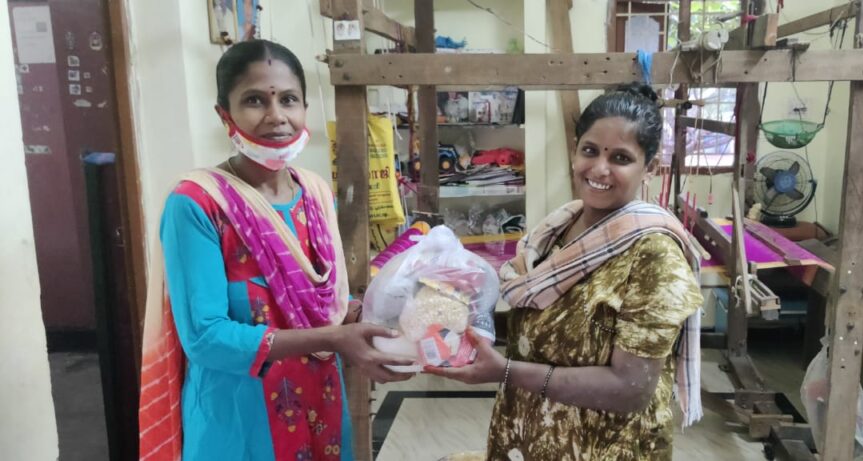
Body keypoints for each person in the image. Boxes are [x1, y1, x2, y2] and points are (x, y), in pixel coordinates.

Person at [138, 39, 413, 461]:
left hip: (322, 403)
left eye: (289, 99)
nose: (276, 117)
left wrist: (374, 316)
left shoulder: (316, 194)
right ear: (223, 114)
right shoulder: (198, 204)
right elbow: (206, 338)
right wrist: (337, 337)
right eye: (254, 100)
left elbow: (322, 302)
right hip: (240, 416)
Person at [426, 83, 705, 460]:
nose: (600, 169)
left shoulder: (653, 256)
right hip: (534, 433)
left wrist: (505, 371)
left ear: (649, 168)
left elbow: (631, 387)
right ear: (575, 151)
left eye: (621, 158)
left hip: (603, 445)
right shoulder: (558, 230)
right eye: (590, 150)